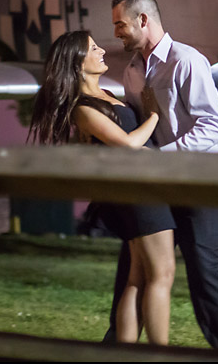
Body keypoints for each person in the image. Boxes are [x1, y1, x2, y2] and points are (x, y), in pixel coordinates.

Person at [106, 0, 218, 350]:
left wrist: (160, 156)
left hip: (200, 179)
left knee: (205, 273)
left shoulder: (187, 61)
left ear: (143, 19)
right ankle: (115, 350)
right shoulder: (132, 72)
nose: (117, 33)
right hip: (159, 184)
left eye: (120, 25)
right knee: (134, 268)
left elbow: (215, 127)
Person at [28, 30, 176, 346]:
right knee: (162, 274)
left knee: (138, 277)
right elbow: (126, 144)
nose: (102, 51)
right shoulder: (83, 108)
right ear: (78, 62)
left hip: (142, 189)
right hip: (136, 193)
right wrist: (152, 114)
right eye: (93, 48)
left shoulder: (108, 96)